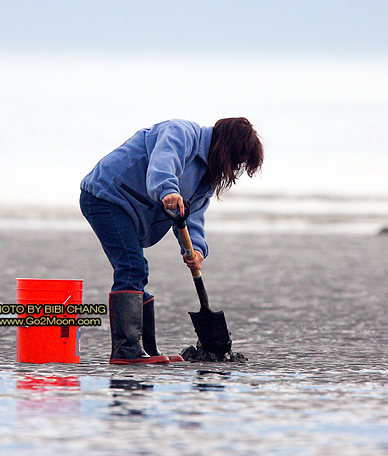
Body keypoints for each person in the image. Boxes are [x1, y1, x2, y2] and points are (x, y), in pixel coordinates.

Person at [80, 117, 264, 364]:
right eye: (235, 161)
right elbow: (163, 162)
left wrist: (196, 249)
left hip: (130, 207)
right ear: (226, 147)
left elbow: (193, 215)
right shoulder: (181, 133)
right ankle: (125, 352)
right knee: (132, 267)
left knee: (136, 270)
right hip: (107, 196)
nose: (233, 168)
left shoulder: (206, 178)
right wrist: (168, 190)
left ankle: (147, 349)